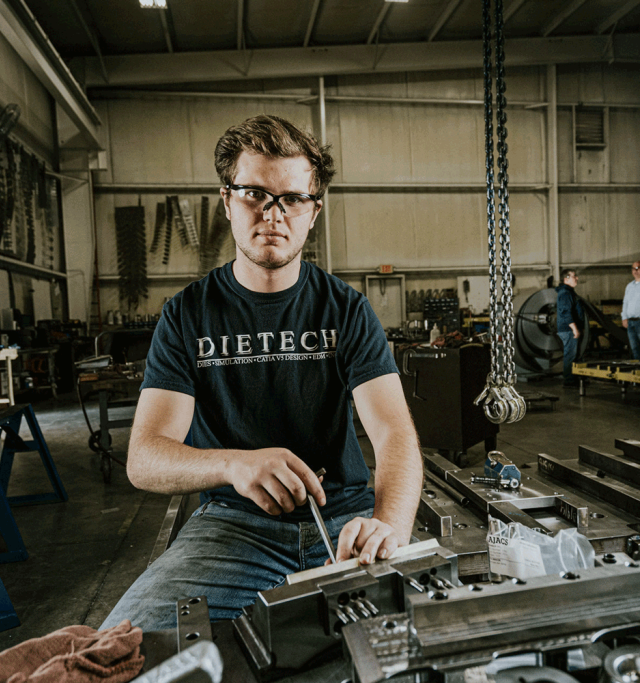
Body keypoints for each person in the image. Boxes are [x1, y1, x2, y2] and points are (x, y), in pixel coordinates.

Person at [100, 115, 422, 632]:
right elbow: (144, 458)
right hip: (233, 529)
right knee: (122, 649)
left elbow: (394, 435)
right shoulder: (186, 316)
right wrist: (234, 465)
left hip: (344, 523)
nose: (274, 214)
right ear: (227, 201)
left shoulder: (346, 311)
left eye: (292, 198)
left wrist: (388, 526)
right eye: (255, 194)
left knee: (421, 640)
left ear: (313, 212)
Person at [555, 269, 585, 386]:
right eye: (574, 276)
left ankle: (574, 378)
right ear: (566, 279)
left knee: (574, 355)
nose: (576, 278)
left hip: (568, 329)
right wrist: (574, 329)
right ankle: (569, 381)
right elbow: (565, 312)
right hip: (568, 330)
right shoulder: (565, 293)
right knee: (570, 355)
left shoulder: (568, 292)